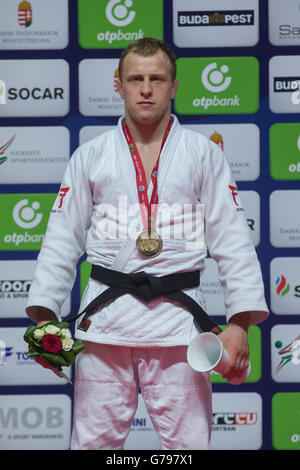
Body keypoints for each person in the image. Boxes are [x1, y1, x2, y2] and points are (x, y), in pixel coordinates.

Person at [26, 37, 269, 450]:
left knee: (189, 447)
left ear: (174, 86)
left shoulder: (203, 155)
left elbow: (233, 238)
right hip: (105, 326)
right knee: (93, 445)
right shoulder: (91, 156)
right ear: (118, 85)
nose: (146, 88)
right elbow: (62, 236)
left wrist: (240, 323)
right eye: (135, 78)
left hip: (179, 330)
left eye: (157, 78)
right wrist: (44, 317)